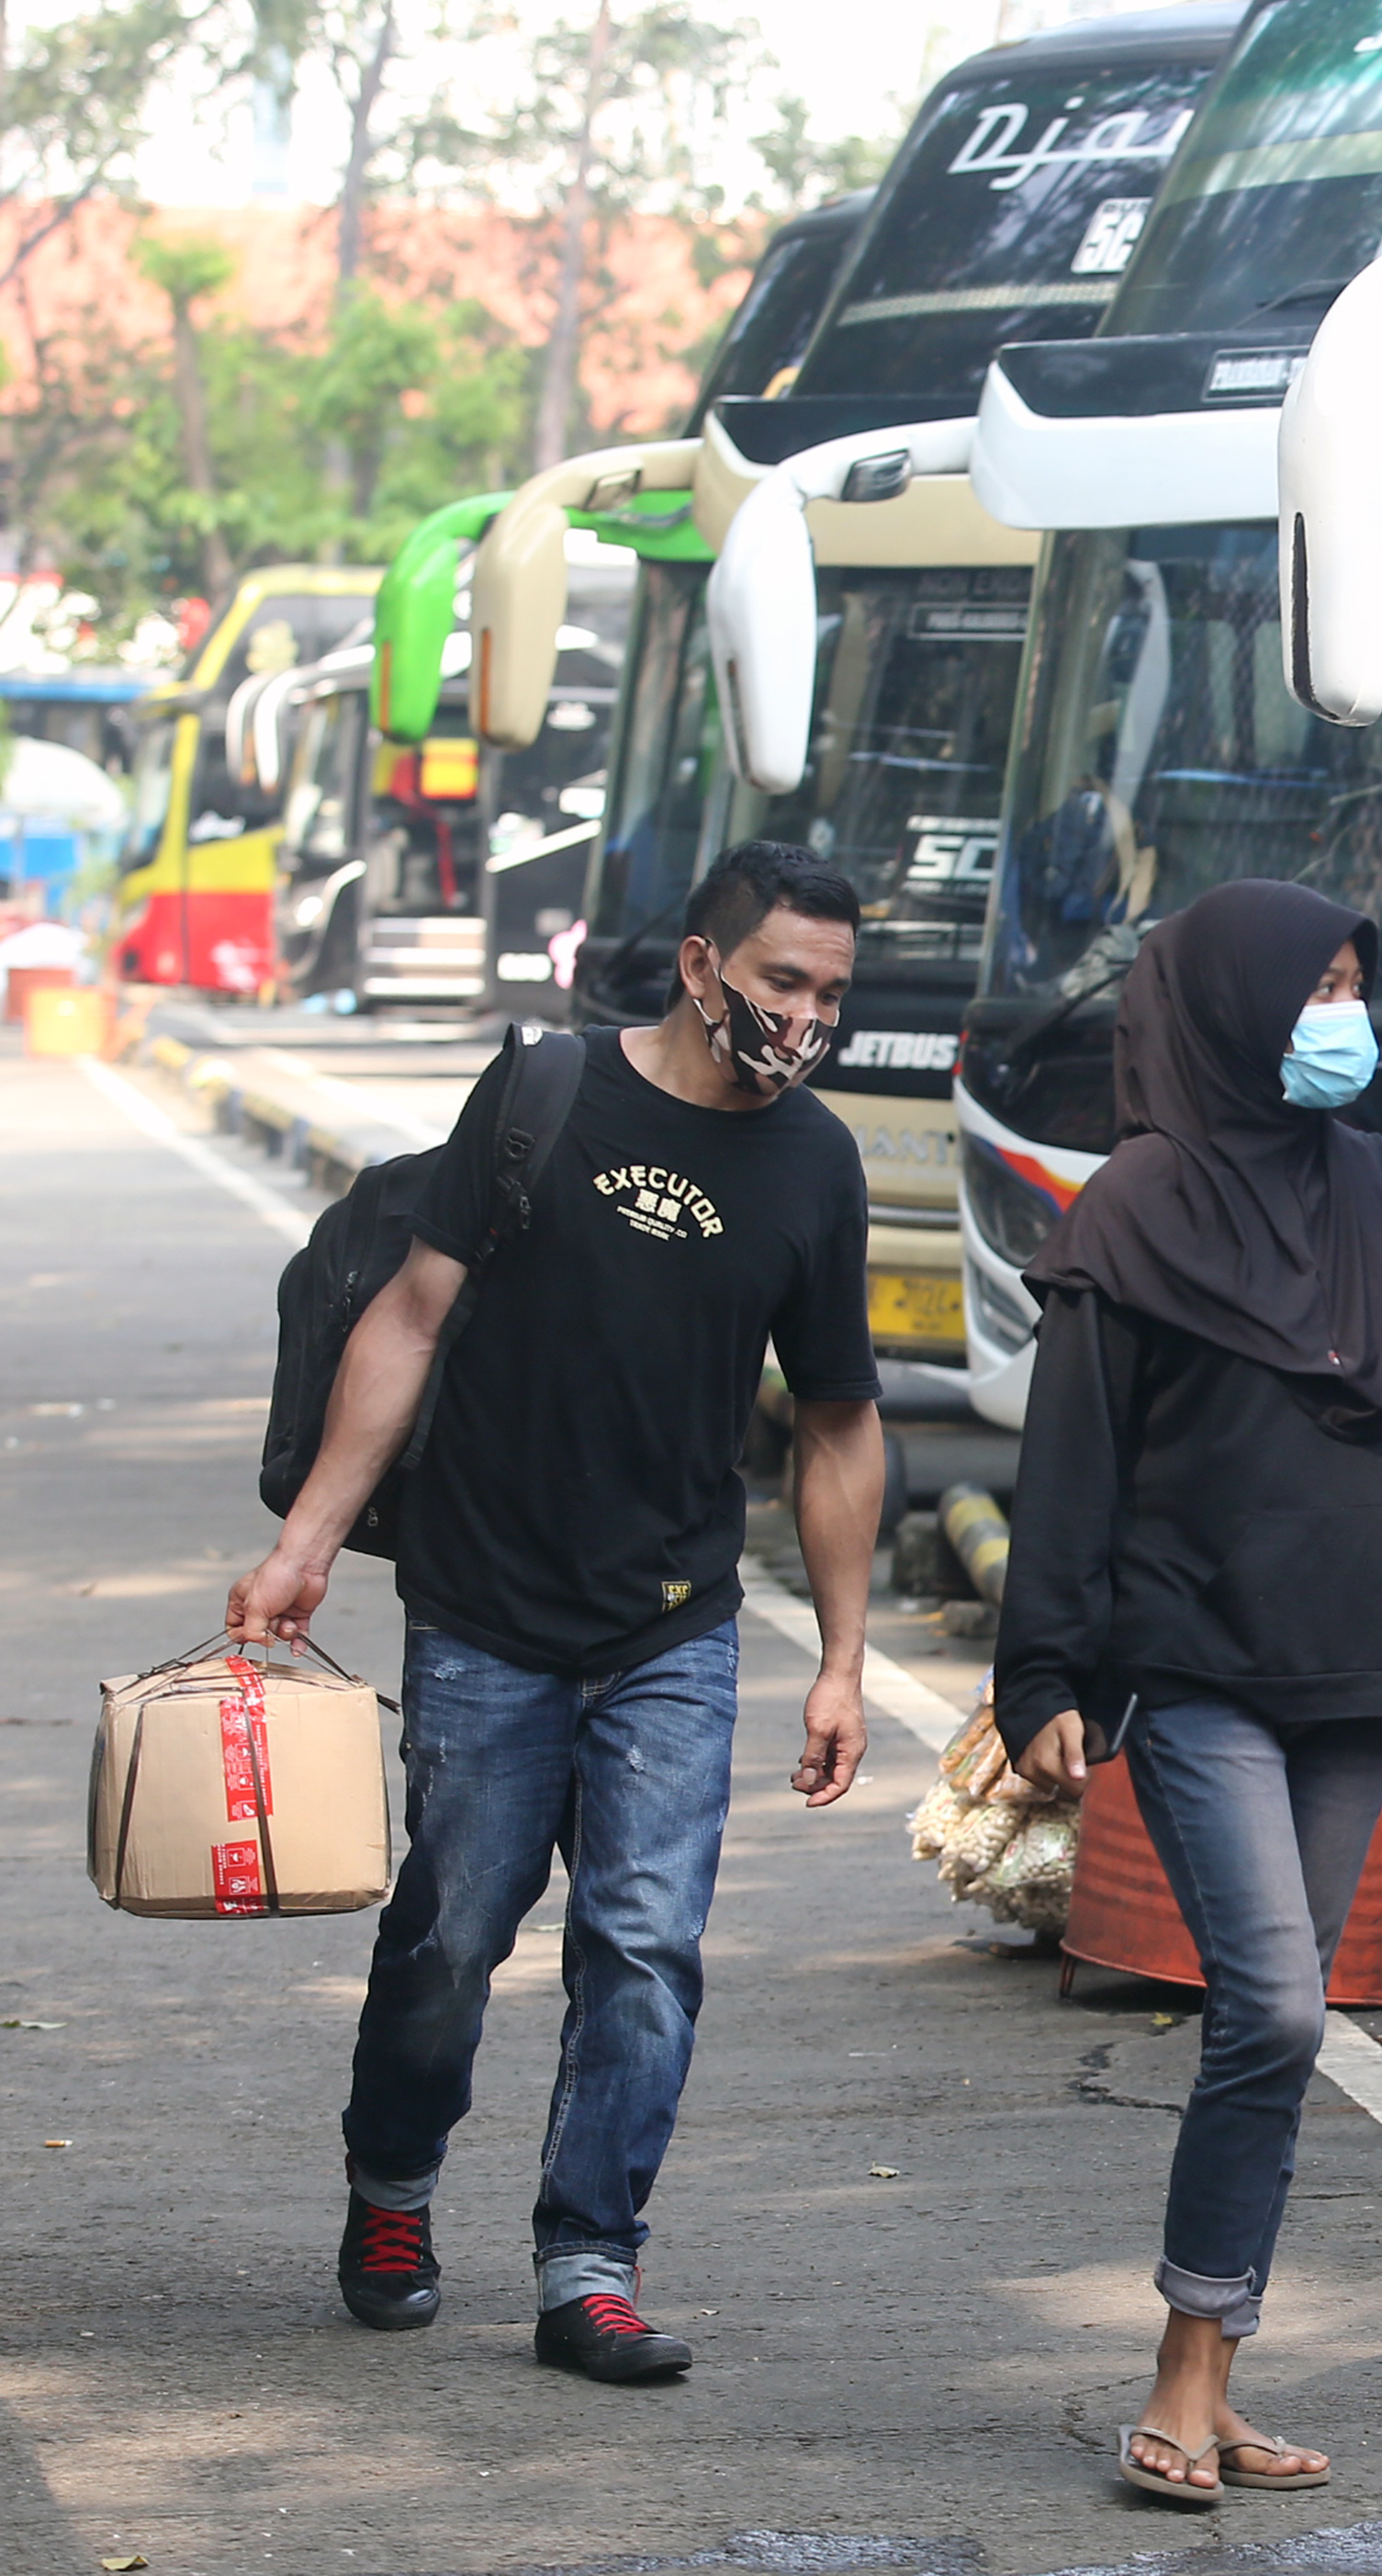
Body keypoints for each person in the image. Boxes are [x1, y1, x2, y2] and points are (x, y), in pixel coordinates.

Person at [228, 839, 885, 2382]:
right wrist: (308, 1541)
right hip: (485, 1606)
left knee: (645, 1948)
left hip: (672, 1621)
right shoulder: (545, 1094)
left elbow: (842, 1422)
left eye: (833, 994)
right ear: (703, 966)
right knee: (455, 1936)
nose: (809, 1016)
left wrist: (845, 1659)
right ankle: (392, 2187)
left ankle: (591, 2262)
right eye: (785, 980)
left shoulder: (815, 1165)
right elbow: (409, 1311)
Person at [990, 879, 1382, 2505]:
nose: (1337, 1019)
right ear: (1229, 1009)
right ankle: (1189, 2365)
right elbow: (1073, 1461)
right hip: (1187, 1666)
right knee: (1272, 2006)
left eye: (1350, 986)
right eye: (1308, 988)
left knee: (1275, 2031)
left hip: (1347, 1671)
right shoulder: (1131, 1207)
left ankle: (1217, 2380)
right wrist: (1043, 1670)